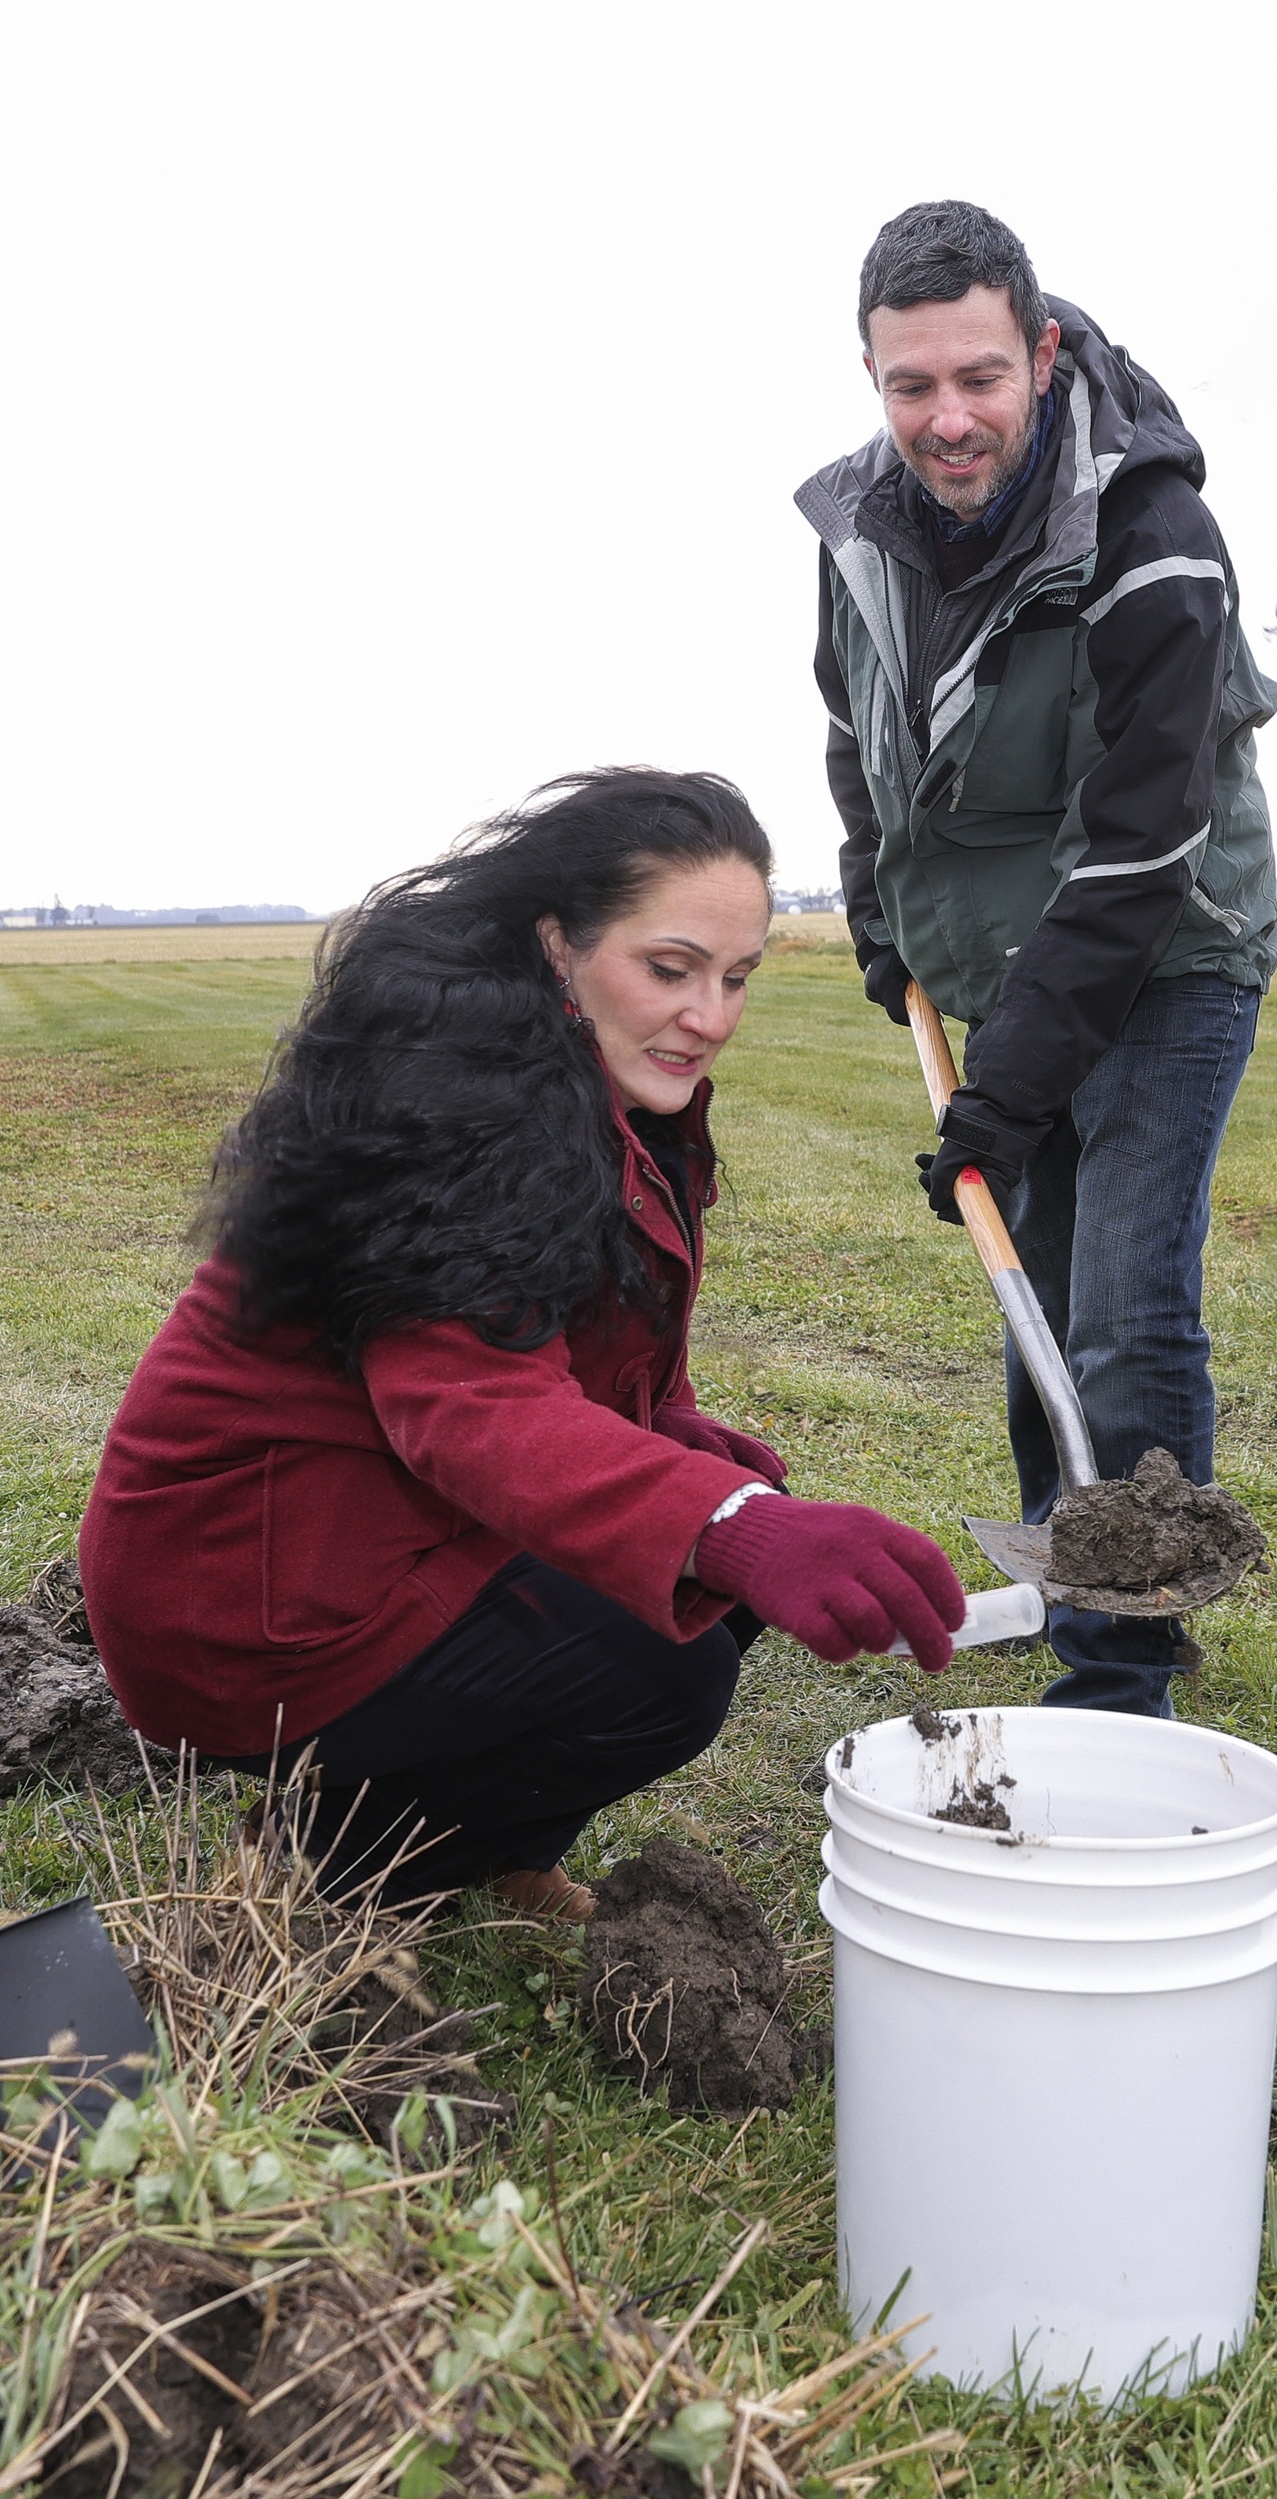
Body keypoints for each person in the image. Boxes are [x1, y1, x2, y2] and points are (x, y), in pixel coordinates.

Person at [78, 770, 968, 1922]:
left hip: (380, 1530)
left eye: (736, 977)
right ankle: (333, 1865)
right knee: (667, 1667)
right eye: (670, 968)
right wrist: (728, 1523)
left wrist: (705, 1466)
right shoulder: (451, 1116)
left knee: (712, 1547)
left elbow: (578, 1354)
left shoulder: (585, 1095)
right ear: (557, 946)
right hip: (258, 1596)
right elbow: (467, 1405)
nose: (711, 1016)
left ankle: (487, 1844)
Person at [799, 199, 1277, 1721]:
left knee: (1124, 1308)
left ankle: (1123, 1662)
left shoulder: (1152, 537)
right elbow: (852, 738)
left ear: (1043, 351)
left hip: (1166, 951)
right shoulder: (858, 529)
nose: (949, 420)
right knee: (1037, 1293)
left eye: (981, 379)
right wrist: (885, 927)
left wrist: (998, 1099)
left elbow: (1140, 849)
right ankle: (1078, 1571)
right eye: (911, 385)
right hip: (996, 959)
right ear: (872, 377)